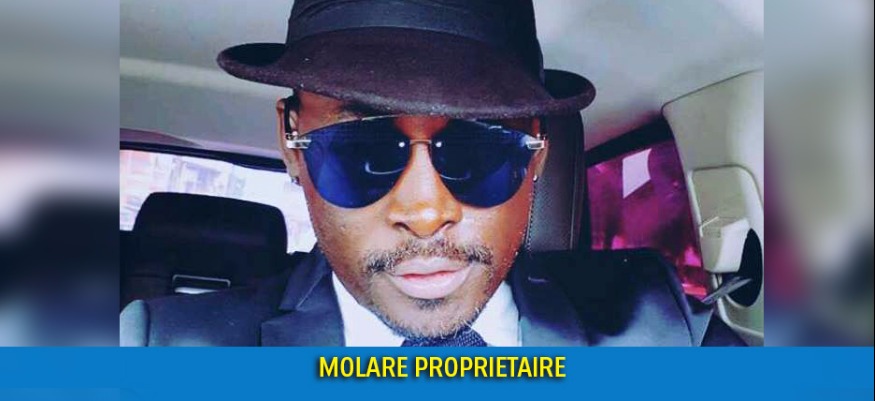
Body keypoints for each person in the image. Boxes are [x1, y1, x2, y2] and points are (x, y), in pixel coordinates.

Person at [120, 0, 742, 346]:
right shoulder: (160, 349)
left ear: (537, 151)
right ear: (291, 144)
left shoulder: (662, 326)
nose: (424, 212)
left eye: (479, 148)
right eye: (360, 151)